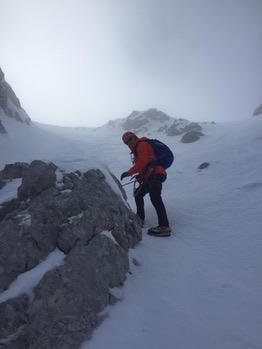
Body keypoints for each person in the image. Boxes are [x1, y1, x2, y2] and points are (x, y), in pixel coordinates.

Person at [120, 131, 171, 237]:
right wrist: (140, 175)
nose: (129, 142)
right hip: (151, 175)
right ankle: (140, 219)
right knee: (138, 194)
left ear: (135, 137)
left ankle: (164, 227)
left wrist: (129, 172)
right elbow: (146, 164)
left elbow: (142, 162)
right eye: (127, 142)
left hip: (156, 174)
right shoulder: (137, 149)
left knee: (155, 197)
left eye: (130, 139)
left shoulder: (142, 144)